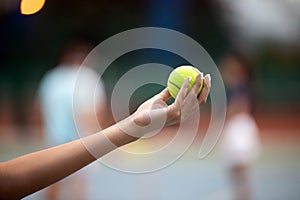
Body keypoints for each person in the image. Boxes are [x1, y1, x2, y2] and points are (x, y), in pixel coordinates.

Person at [0, 73, 211, 200]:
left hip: (61, 138)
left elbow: (8, 182)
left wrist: (133, 125)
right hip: (75, 137)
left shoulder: (53, 80)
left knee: (60, 185)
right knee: (76, 183)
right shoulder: (84, 80)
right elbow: (8, 183)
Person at [36, 41, 107, 199]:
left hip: (54, 138)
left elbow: (40, 109)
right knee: (79, 182)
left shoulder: (52, 77)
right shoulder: (88, 77)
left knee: (51, 180)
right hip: (82, 139)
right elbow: (92, 112)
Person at [219, 52, 260, 200]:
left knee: (239, 169)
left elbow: (241, 108)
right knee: (233, 170)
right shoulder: (235, 86)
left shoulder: (244, 85)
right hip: (235, 128)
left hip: (241, 128)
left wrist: (229, 111)